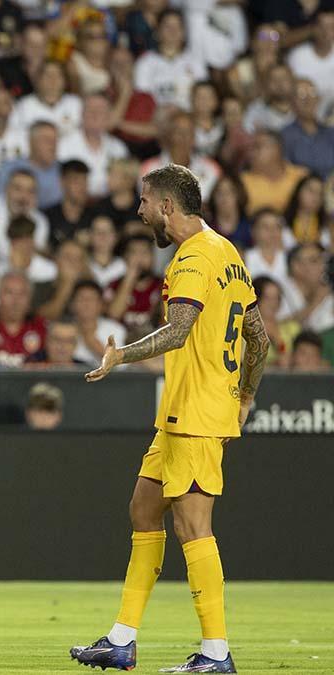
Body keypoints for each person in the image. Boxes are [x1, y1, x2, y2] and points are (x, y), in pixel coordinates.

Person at [72, 163, 268, 674]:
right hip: (190, 411)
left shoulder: (191, 258)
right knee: (143, 508)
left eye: (143, 202)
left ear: (166, 206)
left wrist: (120, 356)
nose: (138, 211)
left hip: (196, 413)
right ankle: (122, 640)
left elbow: (178, 331)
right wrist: (245, 394)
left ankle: (216, 653)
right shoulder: (228, 252)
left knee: (193, 526)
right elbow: (260, 338)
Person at [132, 10, 207, 112]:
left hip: (190, 118)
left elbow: (203, 97)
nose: (173, 31)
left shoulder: (196, 61)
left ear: (184, 32)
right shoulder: (145, 62)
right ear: (157, 31)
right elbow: (143, 99)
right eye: (167, 26)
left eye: (178, 26)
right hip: (157, 120)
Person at [58, 94, 130, 198]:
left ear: (108, 117)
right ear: (82, 114)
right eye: (90, 110)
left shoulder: (118, 148)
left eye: (101, 111)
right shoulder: (64, 145)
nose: (95, 115)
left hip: (109, 204)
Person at [140, 112, 222, 202]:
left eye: (189, 132)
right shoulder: (150, 170)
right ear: (169, 135)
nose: (184, 137)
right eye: (179, 132)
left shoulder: (211, 169)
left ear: (194, 137)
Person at [0, 121, 63, 210]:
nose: (53, 145)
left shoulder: (64, 171)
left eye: (55, 141)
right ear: (31, 142)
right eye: (47, 140)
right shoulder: (9, 169)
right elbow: (0, 203)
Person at [240, 130, 309, 215]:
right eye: (250, 148)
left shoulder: (302, 176)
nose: (251, 153)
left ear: (276, 149)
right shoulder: (242, 182)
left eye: (257, 147)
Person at [11, 60, 81, 139]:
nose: (53, 80)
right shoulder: (22, 107)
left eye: (58, 75)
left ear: (65, 81)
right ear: (38, 80)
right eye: (48, 75)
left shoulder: (76, 104)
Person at [280, 78, 334, 178]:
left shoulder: (331, 133)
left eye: (312, 93)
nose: (308, 99)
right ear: (291, 102)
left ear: (318, 99)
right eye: (301, 95)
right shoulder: (285, 136)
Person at [0, 272, 46, 367]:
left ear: (30, 298)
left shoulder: (42, 328)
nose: (15, 301)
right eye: (9, 293)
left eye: (22, 294)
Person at [285, 9, 334, 116]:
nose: (326, 32)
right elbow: (291, 91)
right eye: (322, 27)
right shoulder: (297, 56)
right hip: (304, 111)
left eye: (331, 27)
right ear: (313, 28)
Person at [70, 279, 127, 367]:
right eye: (81, 298)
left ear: (101, 304)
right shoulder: (64, 329)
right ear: (72, 304)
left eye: (91, 299)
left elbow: (121, 366)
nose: (86, 304)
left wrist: (92, 342)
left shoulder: (115, 330)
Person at [44, 160, 96, 249]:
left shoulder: (95, 217)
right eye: (76, 182)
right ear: (62, 182)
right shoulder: (47, 217)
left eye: (85, 181)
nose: (82, 187)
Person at [242, 63, 296, 133]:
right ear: (266, 84)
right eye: (274, 79)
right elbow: (248, 131)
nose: (279, 83)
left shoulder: (304, 105)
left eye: (284, 78)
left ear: (292, 81)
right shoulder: (256, 109)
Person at [88, 214, 128, 287]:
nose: (102, 236)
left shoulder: (125, 266)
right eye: (97, 231)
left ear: (116, 237)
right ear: (90, 236)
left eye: (108, 231)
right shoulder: (82, 265)